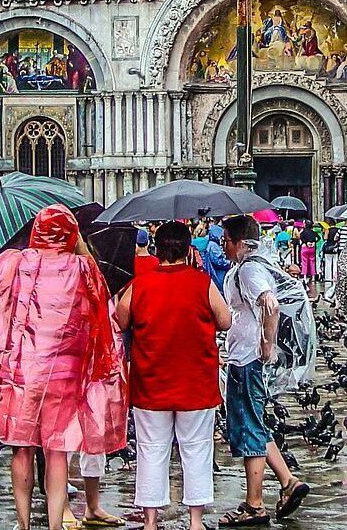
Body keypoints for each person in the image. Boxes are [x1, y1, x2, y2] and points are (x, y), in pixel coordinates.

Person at [0, 205, 127, 530]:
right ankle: (56, 524)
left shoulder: (15, 262)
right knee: (57, 451)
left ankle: (24, 523)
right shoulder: (85, 269)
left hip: (23, 373)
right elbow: (102, 319)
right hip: (65, 376)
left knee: (22, 449)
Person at [114, 220, 227, 530]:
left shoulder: (141, 284)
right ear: (188, 249)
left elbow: (120, 320)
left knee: (151, 450)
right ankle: (194, 521)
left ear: (157, 249)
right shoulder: (202, 283)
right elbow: (226, 320)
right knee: (197, 449)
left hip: (152, 382)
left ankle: (150, 522)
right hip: (196, 383)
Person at [219, 215, 310, 524]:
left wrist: (266, 343)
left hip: (247, 359)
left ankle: (254, 503)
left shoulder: (249, 269)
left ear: (241, 242)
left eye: (226, 240)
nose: (222, 245)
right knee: (254, 422)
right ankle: (288, 481)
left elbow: (270, 304)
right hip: (243, 356)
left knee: (250, 428)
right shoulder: (248, 267)